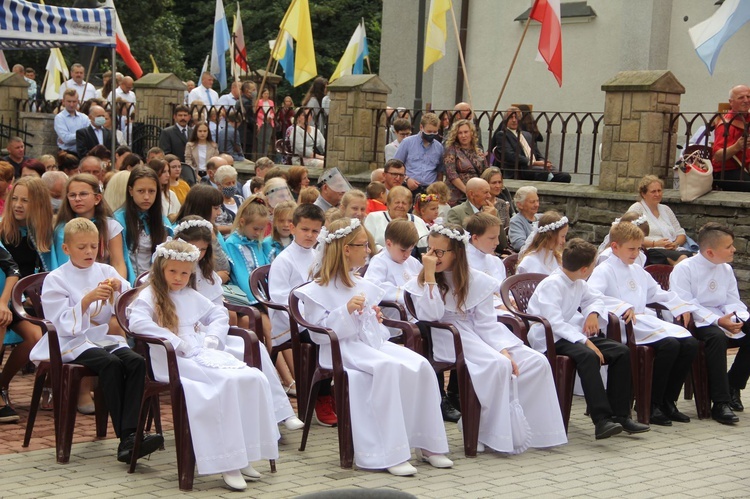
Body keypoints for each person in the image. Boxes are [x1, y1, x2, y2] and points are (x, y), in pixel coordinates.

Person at [294, 218, 452, 475]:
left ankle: (428, 443)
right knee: (387, 368)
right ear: (346, 249)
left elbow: (369, 327)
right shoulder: (317, 288)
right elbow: (319, 334)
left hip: (368, 344)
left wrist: (371, 317)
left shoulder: (361, 283)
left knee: (421, 365)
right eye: (363, 245)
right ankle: (387, 453)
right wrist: (344, 311)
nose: (368, 250)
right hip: (340, 349)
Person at [126, 239, 279, 491]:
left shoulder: (189, 294)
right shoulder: (150, 295)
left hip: (198, 349)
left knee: (252, 378)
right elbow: (138, 324)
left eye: (184, 273)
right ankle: (227, 462)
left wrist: (212, 337)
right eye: (172, 271)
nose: (178, 278)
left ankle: (245, 455)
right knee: (223, 386)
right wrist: (175, 341)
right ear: (160, 269)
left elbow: (218, 313)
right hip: (171, 358)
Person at [405, 223, 567, 453]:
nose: (432, 256)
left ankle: (532, 431)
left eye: (439, 252)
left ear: (457, 253)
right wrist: (430, 275)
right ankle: (485, 431)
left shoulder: (476, 280)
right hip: (449, 334)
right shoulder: (426, 278)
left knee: (535, 363)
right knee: (499, 366)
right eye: (429, 250)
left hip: (480, 333)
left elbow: (486, 323)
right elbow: (430, 315)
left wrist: (502, 348)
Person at [33, 218, 164, 459]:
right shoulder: (57, 278)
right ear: (66, 249)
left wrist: (118, 287)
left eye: (93, 246)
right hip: (69, 342)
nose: (89, 252)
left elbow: (129, 299)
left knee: (136, 362)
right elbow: (60, 322)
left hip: (100, 338)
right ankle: (128, 438)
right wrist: (87, 299)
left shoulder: (105, 270)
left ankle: (130, 437)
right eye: (82, 247)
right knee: (111, 364)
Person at [173, 216, 303, 427]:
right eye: (192, 248)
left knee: (255, 347)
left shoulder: (209, 277)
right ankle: (239, 420)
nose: (197, 254)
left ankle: (281, 412)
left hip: (212, 335)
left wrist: (215, 334)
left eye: (203, 250)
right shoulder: (170, 274)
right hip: (184, 340)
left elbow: (219, 312)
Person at [527, 238, 649, 438]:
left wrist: (592, 313)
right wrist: (586, 341)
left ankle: (621, 415)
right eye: (593, 265)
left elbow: (595, 298)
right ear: (585, 269)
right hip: (549, 338)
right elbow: (554, 323)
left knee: (621, 351)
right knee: (588, 356)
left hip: (569, 333)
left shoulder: (578, 282)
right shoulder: (552, 285)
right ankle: (602, 420)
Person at [588, 221, 699, 426]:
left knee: (690, 344)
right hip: (622, 325)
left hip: (643, 321)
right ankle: (650, 403)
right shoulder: (603, 270)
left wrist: (680, 306)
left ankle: (668, 401)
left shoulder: (638, 269)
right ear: (615, 247)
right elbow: (593, 296)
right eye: (631, 249)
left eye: (638, 248)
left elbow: (656, 293)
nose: (635, 253)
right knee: (670, 345)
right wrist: (621, 306)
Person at [670, 223, 750, 425]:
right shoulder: (684, 269)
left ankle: (734, 383)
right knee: (717, 337)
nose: (734, 249)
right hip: (697, 321)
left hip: (723, 316)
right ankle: (720, 402)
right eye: (729, 246)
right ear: (710, 252)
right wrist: (717, 321)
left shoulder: (726, 269)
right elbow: (686, 303)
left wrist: (736, 318)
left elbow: (732, 300)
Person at [267, 204, 337, 421]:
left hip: (314, 317)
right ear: (292, 227)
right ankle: (321, 396)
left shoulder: (317, 255)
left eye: (315, 231)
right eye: (305, 229)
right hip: (290, 322)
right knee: (324, 337)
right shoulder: (284, 260)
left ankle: (328, 388)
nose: (310, 235)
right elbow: (279, 297)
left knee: (341, 332)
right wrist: (308, 317)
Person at [0, 178, 52, 422]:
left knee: (41, 335)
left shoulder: (43, 235)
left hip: (29, 303)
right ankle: (1, 388)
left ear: (39, 204)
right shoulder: (3, 231)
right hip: (6, 299)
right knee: (30, 334)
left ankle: (3, 384)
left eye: (25, 200)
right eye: (15, 199)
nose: (18, 205)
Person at [52, 173, 127, 279]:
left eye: (83, 194)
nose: (77, 199)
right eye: (72, 195)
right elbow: (62, 265)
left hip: (106, 284)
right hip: (72, 285)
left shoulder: (111, 226)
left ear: (97, 198)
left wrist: (117, 288)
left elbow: (118, 263)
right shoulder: (62, 229)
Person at [223, 196, 273, 342]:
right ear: (243, 222)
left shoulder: (256, 242)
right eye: (255, 228)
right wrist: (261, 300)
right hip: (246, 299)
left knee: (280, 329)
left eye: (262, 229)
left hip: (262, 297)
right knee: (269, 330)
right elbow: (241, 275)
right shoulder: (233, 243)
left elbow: (264, 270)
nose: (258, 233)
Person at [113, 166, 172, 285]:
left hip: (157, 283)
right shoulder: (118, 220)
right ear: (130, 191)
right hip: (129, 282)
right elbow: (118, 262)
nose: (146, 197)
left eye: (151, 191)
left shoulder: (162, 221)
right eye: (141, 191)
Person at [492, 107, 571, 183]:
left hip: (537, 167)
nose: (514, 120)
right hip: (521, 168)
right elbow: (510, 155)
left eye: (516, 118)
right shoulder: (502, 135)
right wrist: (534, 163)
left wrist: (544, 162)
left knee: (565, 176)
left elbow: (537, 154)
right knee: (543, 173)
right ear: (505, 120)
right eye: (511, 117)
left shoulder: (527, 135)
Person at [627, 175, 693, 265]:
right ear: (643, 194)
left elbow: (680, 233)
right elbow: (629, 235)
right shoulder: (637, 208)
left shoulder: (666, 209)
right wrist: (655, 243)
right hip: (651, 250)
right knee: (683, 259)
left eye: (659, 190)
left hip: (672, 249)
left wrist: (675, 244)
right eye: (653, 191)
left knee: (695, 258)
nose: (657, 194)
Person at [447, 179, 508, 253]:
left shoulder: (493, 211)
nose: (489, 196)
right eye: (485, 192)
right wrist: (484, 220)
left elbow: (502, 245)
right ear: (472, 194)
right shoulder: (456, 212)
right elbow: (457, 242)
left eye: (489, 192)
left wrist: (494, 219)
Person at [364, 186, 429, 251]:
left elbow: (427, 244)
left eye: (404, 203)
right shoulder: (374, 218)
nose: (400, 206)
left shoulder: (418, 221)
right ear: (388, 204)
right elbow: (367, 242)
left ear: (409, 206)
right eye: (397, 202)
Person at [394, 113, 444, 196]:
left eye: (435, 132)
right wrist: (407, 179)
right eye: (429, 131)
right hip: (408, 188)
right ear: (421, 127)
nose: (432, 134)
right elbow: (396, 166)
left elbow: (440, 172)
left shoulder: (439, 147)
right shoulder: (407, 142)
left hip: (429, 190)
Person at [712, 85, 750, 191]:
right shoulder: (725, 124)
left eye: (748, 96)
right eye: (741, 97)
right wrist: (737, 147)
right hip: (727, 172)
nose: (746, 100)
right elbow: (717, 156)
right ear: (731, 102)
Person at [443, 119, 486, 206]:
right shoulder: (451, 150)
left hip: (476, 195)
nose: (463, 135)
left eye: (466, 132)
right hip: (456, 195)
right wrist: (467, 191)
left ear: (471, 133)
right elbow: (451, 174)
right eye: (460, 133)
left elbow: (485, 172)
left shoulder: (478, 151)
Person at [54, 89, 90, 155]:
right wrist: (82, 136)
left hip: (83, 153)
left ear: (78, 102)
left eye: (74, 102)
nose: (71, 104)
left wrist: (73, 137)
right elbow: (66, 139)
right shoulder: (59, 118)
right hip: (66, 154)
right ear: (63, 101)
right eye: (69, 101)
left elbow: (90, 135)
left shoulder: (84, 118)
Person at [508, 186, 540, 252]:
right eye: (532, 202)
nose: (536, 205)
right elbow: (520, 245)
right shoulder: (516, 221)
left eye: (537, 201)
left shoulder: (542, 218)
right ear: (520, 205)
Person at [255, 88, 275, 156]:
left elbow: (273, 112)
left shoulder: (271, 102)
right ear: (262, 94)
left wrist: (271, 117)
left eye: (267, 94)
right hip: (261, 122)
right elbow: (257, 112)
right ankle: (260, 155)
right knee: (260, 140)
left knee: (267, 140)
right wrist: (264, 117)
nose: (266, 95)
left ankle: (265, 155)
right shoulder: (259, 102)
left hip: (269, 122)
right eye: (265, 93)